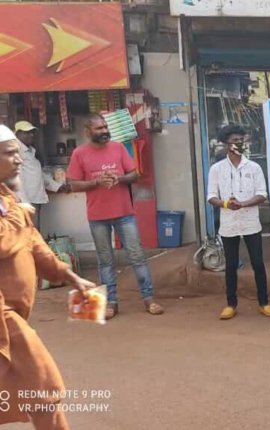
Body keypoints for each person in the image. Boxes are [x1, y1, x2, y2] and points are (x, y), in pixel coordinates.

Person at [0, 124, 96, 430]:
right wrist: (20, 215)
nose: (18, 160)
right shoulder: (15, 208)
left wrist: (71, 277)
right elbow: (4, 240)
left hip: (13, 312)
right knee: (44, 385)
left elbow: (35, 245)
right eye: (10, 153)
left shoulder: (8, 199)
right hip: (3, 316)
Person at [66, 115, 164, 319]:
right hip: (97, 216)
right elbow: (73, 184)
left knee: (137, 256)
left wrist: (118, 179)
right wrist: (96, 183)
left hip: (124, 214)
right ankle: (110, 303)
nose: (104, 131)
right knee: (105, 261)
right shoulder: (79, 153)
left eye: (105, 127)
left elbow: (134, 175)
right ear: (87, 131)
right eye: (99, 128)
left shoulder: (118, 148)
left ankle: (149, 299)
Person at [206, 124, 270, 320]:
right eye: (234, 140)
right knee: (230, 265)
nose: (238, 143)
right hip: (228, 224)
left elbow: (262, 194)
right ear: (226, 143)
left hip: (250, 223)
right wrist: (227, 203)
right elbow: (211, 196)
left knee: (257, 263)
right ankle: (231, 304)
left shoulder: (253, 168)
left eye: (241, 140)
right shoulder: (216, 169)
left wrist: (243, 203)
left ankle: (264, 302)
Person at [14, 121, 66, 229]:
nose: (31, 135)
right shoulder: (16, 152)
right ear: (18, 134)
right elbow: (15, 180)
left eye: (32, 132)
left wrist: (56, 186)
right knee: (31, 235)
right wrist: (25, 203)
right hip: (27, 201)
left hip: (34, 199)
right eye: (27, 132)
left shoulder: (29, 151)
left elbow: (38, 174)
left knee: (34, 232)